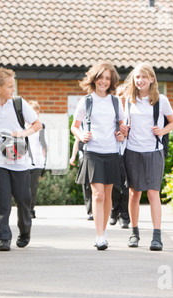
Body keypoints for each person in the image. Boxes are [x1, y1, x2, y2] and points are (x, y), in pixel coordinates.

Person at [0, 67, 42, 251]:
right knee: (2, 201)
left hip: (19, 160)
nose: (13, 90)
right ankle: (3, 237)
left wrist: (22, 133)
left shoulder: (19, 104)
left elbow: (37, 124)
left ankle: (25, 231)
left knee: (23, 199)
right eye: (10, 87)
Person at [121, 63, 173, 251]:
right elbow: (124, 125)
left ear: (152, 79)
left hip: (154, 152)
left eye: (144, 77)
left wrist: (161, 131)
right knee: (134, 193)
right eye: (137, 77)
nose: (140, 80)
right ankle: (134, 233)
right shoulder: (128, 99)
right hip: (132, 151)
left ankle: (157, 236)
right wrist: (124, 130)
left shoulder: (161, 100)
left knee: (153, 193)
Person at [71, 62, 126, 250]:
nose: (104, 81)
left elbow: (122, 125)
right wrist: (81, 135)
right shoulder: (86, 101)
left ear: (111, 81)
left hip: (111, 151)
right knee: (98, 194)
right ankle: (99, 235)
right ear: (94, 79)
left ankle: (103, 233)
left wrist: (122, 133)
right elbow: (74, 126)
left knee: (108, 194)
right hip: (92, 152)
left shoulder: (115, 102)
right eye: (101, 77)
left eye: (108, 78)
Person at [110, 85, 130, 228]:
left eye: (125, 94)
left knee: (127, 186)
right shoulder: (113, 111)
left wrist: (126, 134)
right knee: (114, 185)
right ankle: (114, 210)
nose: (122, 96)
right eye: (120, 94)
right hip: (114, 151)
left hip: (129, 152)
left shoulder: (132, 112)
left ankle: (125, 215)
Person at [27, 100, 48, 218]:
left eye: (36, 113)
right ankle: (25, 208)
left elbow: (45, 144)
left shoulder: (41, 127)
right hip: (24, 162)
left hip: (37, 162)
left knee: (33, 187)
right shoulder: (23, 126)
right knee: (24, 188)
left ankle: (31, 209)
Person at [70, 134, 93, 220]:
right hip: (83, 158)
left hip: (96, 156)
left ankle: (98, 209)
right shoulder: (80, 124)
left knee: (96, 184)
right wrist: (73, 156)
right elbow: (77, 140)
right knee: (86, 185)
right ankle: (90, 211)